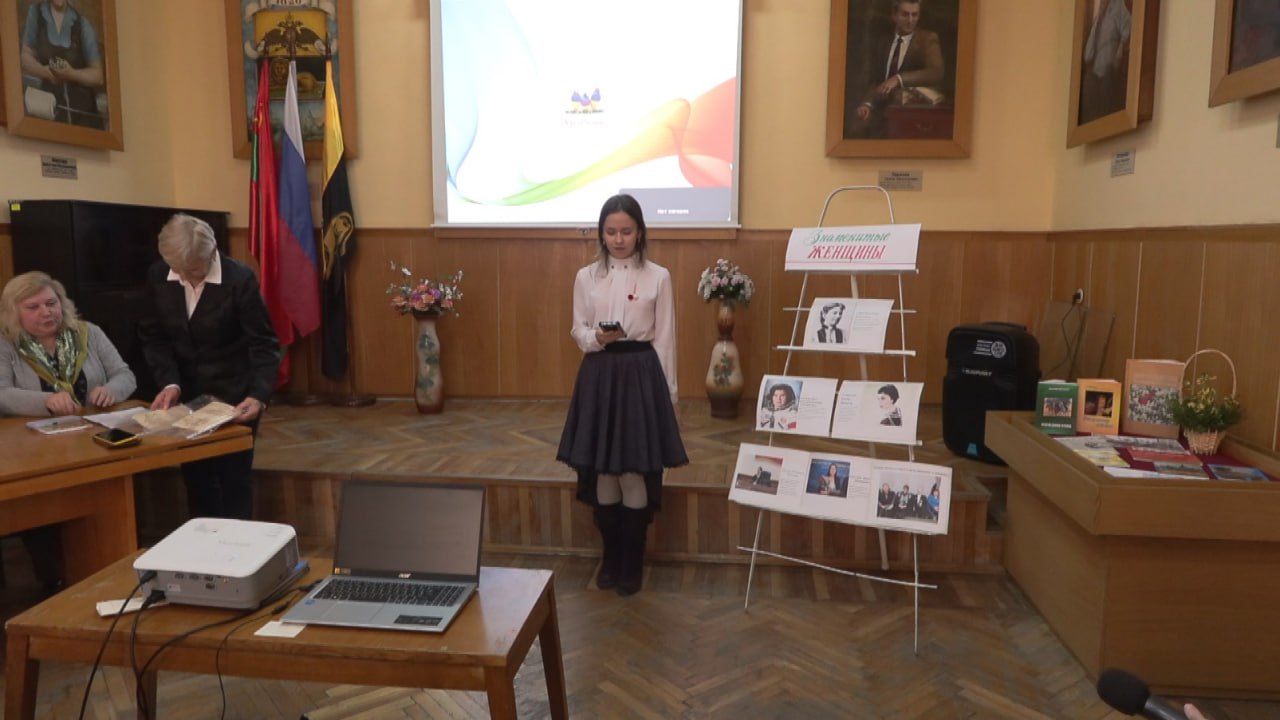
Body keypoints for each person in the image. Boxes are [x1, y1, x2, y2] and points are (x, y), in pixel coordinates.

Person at [556, 194, 687, 597]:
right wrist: (596, 338)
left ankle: (633, 559)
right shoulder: (586, 277)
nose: (618, 239)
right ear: (601, 234)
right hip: (600, 373)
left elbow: (665, 339)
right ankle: (610, 555)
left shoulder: (659, 276)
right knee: (604, 471)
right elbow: (578, 329)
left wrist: (669, 396)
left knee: (632, 471)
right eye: (610, 232)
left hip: (641, 375)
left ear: (640, 232)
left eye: (626, 231)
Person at [0, 270, 136, 595]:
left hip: (94, 442)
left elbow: (124, 374)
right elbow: (2, 393)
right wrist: (46, 401)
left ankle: (112, 568)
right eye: (33, 307)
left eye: (51, 303)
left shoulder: (88, 333)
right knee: (47, 509)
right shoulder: (7, 344)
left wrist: (111, 390)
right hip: (34, 451)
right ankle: (55, 580)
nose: (46, 312)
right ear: (14, 312)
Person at [138, 214, 280, 521]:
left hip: (234, 397)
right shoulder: (159, 274)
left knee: (233, 481)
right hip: (185, 397)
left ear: (212, 251)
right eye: (178, 269)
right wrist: (169, 382)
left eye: (192, 269)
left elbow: (264, 344)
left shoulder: (239, 279)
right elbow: (154, 336)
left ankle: (239, 544)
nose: (184, 276)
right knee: (197, 480)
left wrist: (259, 395)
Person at [850, 0, 944, 139]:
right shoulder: (883, 41)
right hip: (880, 113)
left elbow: (936, 72)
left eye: (915, 15)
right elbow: (875, 79)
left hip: (909, 115)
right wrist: (867, 104)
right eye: (905, 14)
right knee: (855, 130)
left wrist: (899, 79)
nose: (910, 20)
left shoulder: (927, 40)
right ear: (894, 15)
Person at [19, 0, 106, 128]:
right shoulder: (36, 14)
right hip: (50, 109)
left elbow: (98, 76)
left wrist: (72, 74)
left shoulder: (82, 24)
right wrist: (45, 71)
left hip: (82, 115)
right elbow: (25, 57)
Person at [1079, 0, 1130, 125]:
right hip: (1096, 70)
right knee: (1087, 85)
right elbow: (1087, 54)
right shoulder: (1099, 17)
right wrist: (1098, 21)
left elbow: (1128, 25)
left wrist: (1121, 47)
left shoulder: (1118, 5)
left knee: (1108, 86)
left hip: (1110, 66)